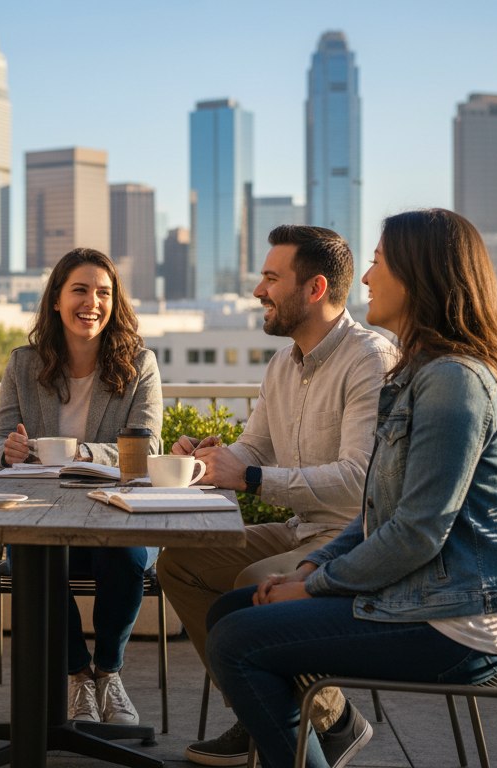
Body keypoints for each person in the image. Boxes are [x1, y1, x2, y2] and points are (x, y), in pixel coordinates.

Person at [204, 208, 497, 768]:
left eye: (379, 263)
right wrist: (311, 571)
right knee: (229, 613)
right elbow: (379, 510)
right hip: (419, 597)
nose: (369, 278)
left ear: (419, 275)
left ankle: (314, 742)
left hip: (450, 625)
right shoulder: (418, 373)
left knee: (236, 642)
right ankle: (312, 744)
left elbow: (416, 533)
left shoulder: (453, 382)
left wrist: (316, 585)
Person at [156, 225, 396, 767]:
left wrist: (252, 479)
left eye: (270, 278)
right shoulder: (283, 363)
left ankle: (313, 722)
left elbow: (361, 478)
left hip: (350, 542)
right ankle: (279, 712)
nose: (258, 292)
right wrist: (208, 459)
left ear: (313, 289)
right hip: (298, 530)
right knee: (179, 565)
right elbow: (253, 449)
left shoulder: (369, 360)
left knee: (252, 583)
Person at [0, 247, 163, 725]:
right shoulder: (24, 365)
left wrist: (84, 453)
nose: (92, 302)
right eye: (80, 290)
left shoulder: (140, 363)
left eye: (103, 292)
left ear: (114, 302)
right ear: (58, 301)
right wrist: (8, 451)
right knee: (31, 554)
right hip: (46, 517)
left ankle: (109, 671)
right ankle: (78, 676)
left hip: (116, 516)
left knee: (125, 556)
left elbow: (148, 449)